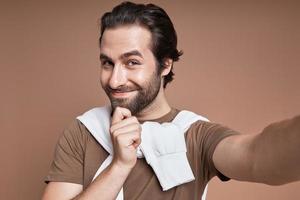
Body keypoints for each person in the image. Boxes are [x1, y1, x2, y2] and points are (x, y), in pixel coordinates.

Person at [42, 1, 300, 200]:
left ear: (165, 64)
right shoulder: (83, 132)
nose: (114, 80)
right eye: (108, 63)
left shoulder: (196, 136)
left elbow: (257, 156)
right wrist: (119, 166)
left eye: (132, 62)